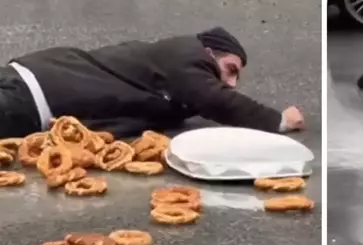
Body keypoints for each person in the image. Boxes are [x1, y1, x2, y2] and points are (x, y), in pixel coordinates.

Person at [0, 27, 306, 138]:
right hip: (31, 93)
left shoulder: (174, 67)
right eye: (230, 69)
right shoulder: (186, 55)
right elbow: (214, 100)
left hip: (32, 89)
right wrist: (278, 120)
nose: (233, 82)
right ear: (210, 53)